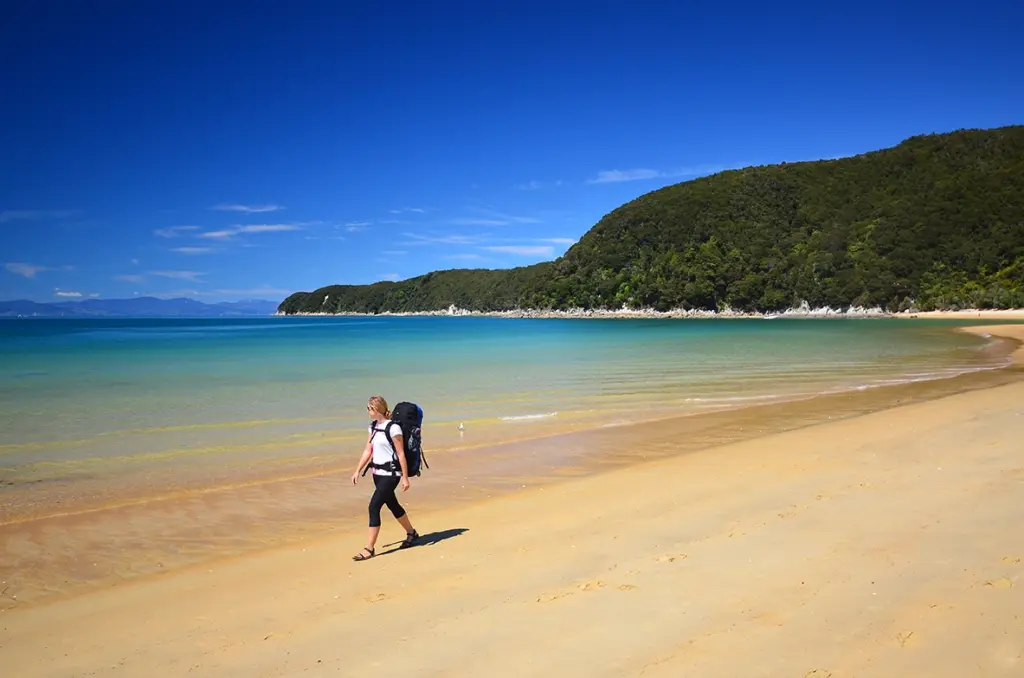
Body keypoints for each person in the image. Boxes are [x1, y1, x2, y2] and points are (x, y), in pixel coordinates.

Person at [350, 395, 419, 560]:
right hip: (377, 474)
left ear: (376, 410)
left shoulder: (394, 428)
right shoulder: (372, 427)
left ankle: (369, 548)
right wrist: (357, 470)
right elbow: (368, 450)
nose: (367, 411)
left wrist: (405, 478)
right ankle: (411, 533)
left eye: (369, 408)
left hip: (391, 475)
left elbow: (401, 453)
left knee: (373, 507)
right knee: (393, 505)